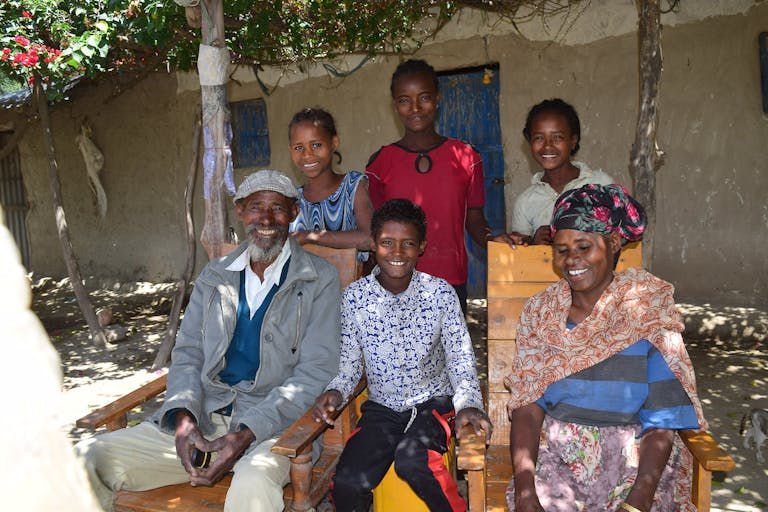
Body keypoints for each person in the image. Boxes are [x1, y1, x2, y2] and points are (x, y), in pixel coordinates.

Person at [76, 170, 342, 512]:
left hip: (275, 427)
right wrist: (183, 417)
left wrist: (248, 432)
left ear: (293, 213)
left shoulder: (318, 278)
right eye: (256, 207)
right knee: (87, 458)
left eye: (277, 208)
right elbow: (188, 353)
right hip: (205, 417)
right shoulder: (215, 275)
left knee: (253, 485)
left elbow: (316, 372)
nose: (266, 219)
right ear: (240, 211)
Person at [505, 184, 705, 512]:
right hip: (560, 460)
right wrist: (526, 492)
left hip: (636, 462)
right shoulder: (542, 313)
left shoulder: (646, 309)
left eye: (584, 247)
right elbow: (528, 405)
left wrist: (640, 498)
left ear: (613, 243)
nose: (572, 260)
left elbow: (663, 414)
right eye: (561, 249)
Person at [313, 198, 492, 512]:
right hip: (382, 409)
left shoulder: (440, 294)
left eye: (407, 243)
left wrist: (469, 405)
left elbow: (460, 359)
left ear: (421, 246)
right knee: (347, 484)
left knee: (414, 460)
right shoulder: (355, 297)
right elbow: (350, 367)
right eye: (387, 243)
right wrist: (335, 392)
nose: (397, 252)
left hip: (432, 405)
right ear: (373, 244)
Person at [366, 59, 522, 313]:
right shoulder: (379, 164)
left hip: (450, 283)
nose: (415, 108)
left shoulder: (467, 158)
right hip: (395, 285)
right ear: (395, 105)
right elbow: (375, 232)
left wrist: (492, 240)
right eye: (405, 100)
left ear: (438, 98)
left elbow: (474, 218)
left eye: (424, 97)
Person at [509, 98, 614, 245]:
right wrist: (533, 243)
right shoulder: (525, 202)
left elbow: (621, 238)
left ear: (573, 141)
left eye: (557, 137)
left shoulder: (601, 184)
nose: (547, 146)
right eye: (539, 138)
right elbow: (518, 253)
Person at [288, 107, 373, 259]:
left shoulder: (353, 186)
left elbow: (368, 238)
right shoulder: (292, 200)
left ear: (334, 143)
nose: (307, 154)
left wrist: (309, 236)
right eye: (298, 147)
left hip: (352, 275)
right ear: (290, 150)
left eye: (316, 145)